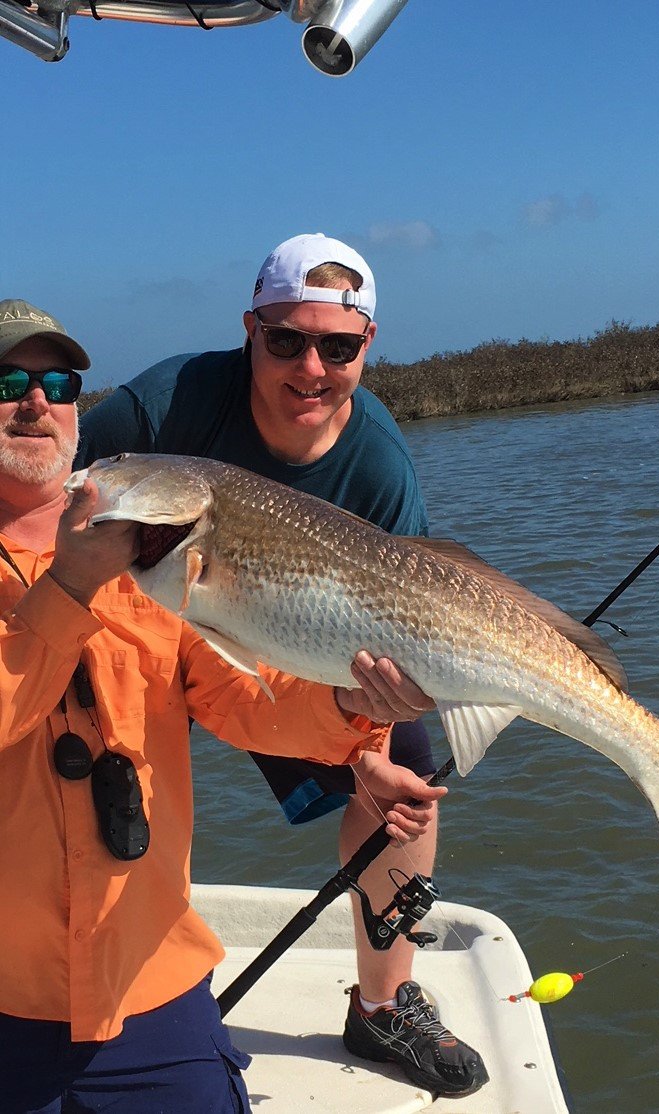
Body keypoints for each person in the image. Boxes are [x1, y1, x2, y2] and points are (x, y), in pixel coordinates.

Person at [0, 299, 448, 1113]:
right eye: (7, 381)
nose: (37, 400)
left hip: (151, 984)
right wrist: (67, 588)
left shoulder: (146, 548)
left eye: (58, 381)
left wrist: (352, 716)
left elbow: (248, 704)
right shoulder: (95, 563)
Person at [77, 234, 489, 1096]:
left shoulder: (376, 461)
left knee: (403, 766)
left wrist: (369, 742)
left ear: (367, 347)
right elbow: (55, 497)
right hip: (140, 619)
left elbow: (399, 613)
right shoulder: (158, 407)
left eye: (337, 346)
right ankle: (100, 965)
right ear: (248, 331)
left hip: (292, 641)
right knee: (106, 758)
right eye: (285, 339)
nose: (311, 366)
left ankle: (382, 1006)